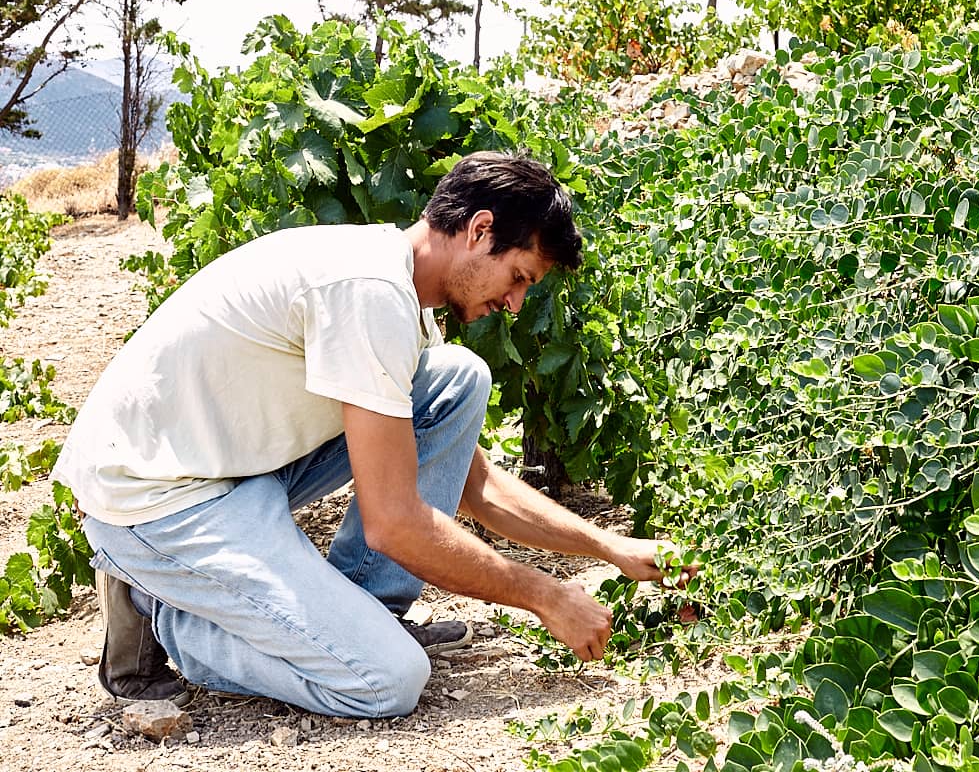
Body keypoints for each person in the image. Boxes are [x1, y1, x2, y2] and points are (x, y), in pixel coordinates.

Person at [52, 151, 696, 717]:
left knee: (454, 381)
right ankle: (169, 614)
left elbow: (477, 488)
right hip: (157, 496)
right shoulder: (367, 292)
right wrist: (547, 596)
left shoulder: (402, 297)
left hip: (227, 463)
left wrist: (608, 546)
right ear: (479, 232)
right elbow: (396, 522)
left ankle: (365, 612)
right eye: (520, 276)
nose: (516, 301)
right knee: (385, 681)